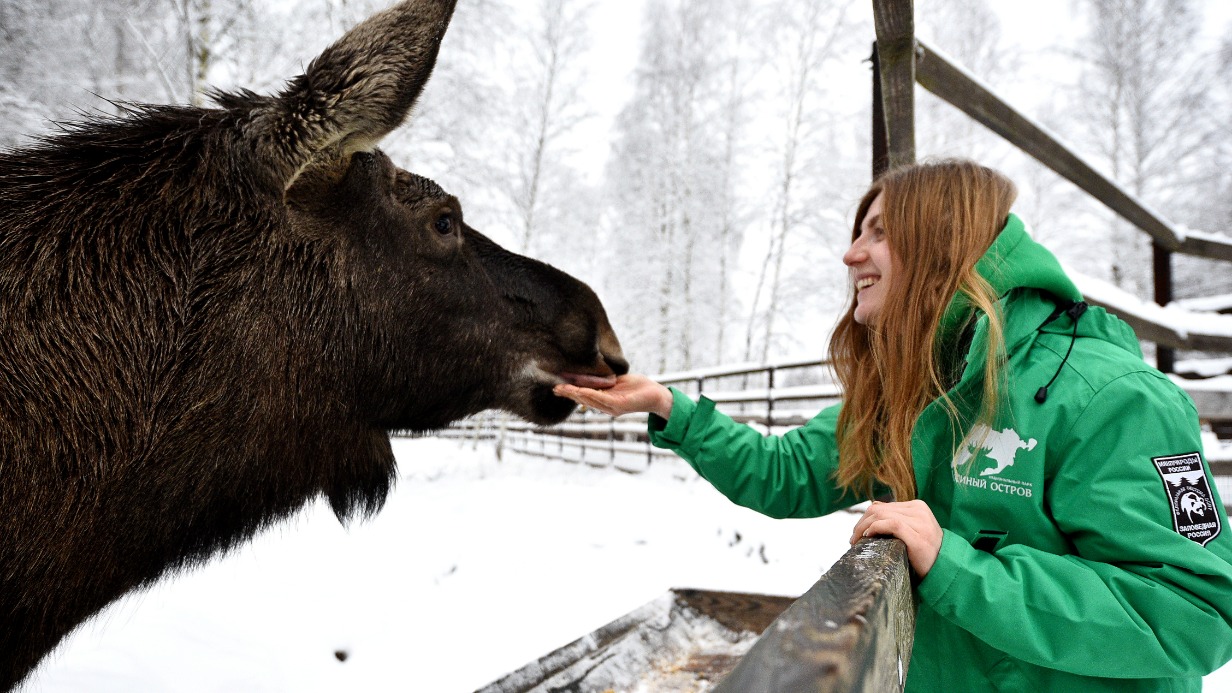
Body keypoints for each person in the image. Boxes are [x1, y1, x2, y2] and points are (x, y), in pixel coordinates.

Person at [553, 159, 1232, 692]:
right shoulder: (912, 398)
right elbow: (785, 472)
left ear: (944, 240)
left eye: (879, 231)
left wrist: (957, 567)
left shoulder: (1109, 398)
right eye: (858, 232)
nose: (851, 254)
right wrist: (670, 407)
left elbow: (1195, 610)